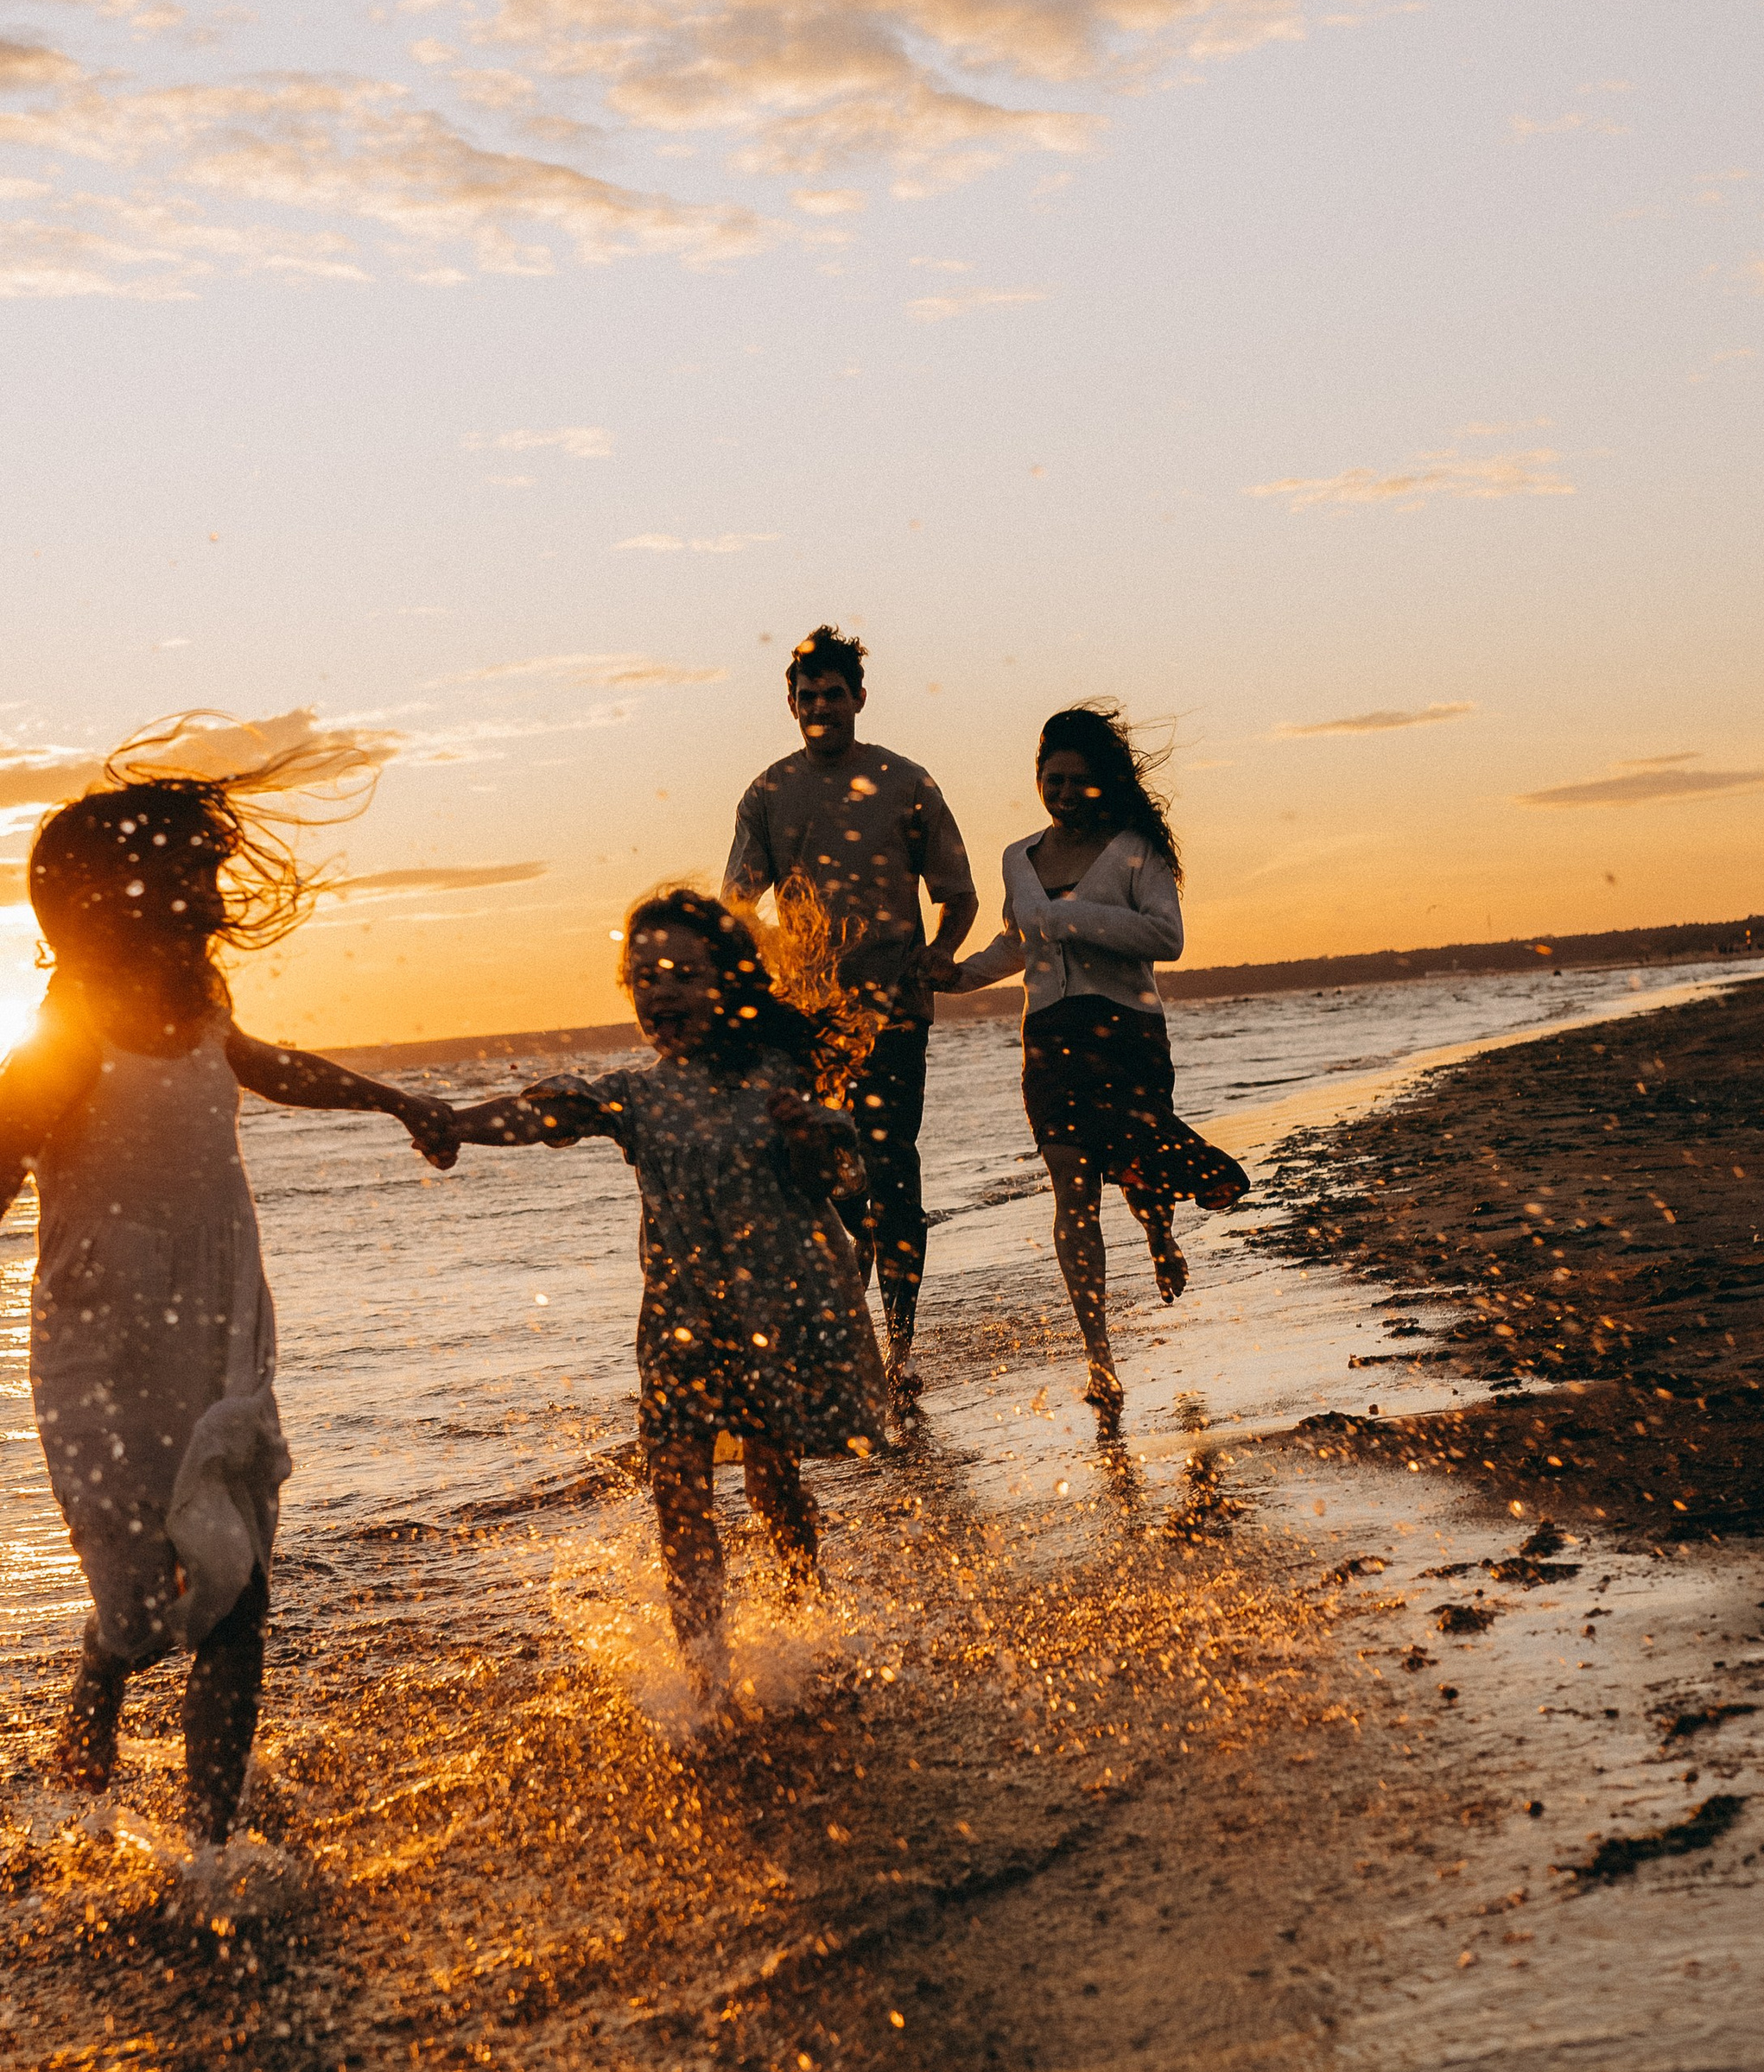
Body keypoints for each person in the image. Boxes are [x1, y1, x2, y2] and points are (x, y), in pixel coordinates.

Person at [0, 766, 457, 1845]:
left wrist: (393, 1098)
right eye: (190, 874)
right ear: (116, 897)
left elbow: (272, 1067)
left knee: (236, 1578)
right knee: (141, 1600)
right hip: (102, 1341)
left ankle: (210, 1848)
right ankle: (99, 1693)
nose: (212, 893)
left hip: (216, 1323)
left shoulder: (203, 1008)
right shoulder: (62, 1043)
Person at [442, 889, 888, 1681]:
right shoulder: (636, 1095)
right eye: (645, 979)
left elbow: (844, 1178)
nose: (663, 993)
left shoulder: (782, 1073)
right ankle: (704, 1675)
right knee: (677, 1488)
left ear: (727, 981)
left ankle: (804, 1611)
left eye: (683, 974)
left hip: (778, 1316)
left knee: (771, 1479)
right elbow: (545, 1114)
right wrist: (450, 1123)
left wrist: (811, 1132)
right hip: (681, 1323)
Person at [936, 704, 1247, 1410]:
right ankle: (1099, 1359)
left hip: (1127, 1034)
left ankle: (1159, 1233)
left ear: (1103, 781)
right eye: (1054, 780)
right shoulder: (1018, 858)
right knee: (1073, 1188)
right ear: (1037, 779)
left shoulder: (1137, 848)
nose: (1065, 794)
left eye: (1079, 781)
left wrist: (1070, 918)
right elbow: (1018, 942)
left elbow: (1166, 938)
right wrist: (955, 977)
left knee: (1139, 1170)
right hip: (1049, 1041)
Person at [721, 626, 975, 1385]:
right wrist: (764, 973)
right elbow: (735, 905)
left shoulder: (907, 783)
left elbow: (956, 895)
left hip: (894, 1012)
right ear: (791, 706)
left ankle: (897, 1352)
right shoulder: (767, 794)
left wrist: (939, 952)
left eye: (835, 694)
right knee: (815, 1177)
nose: (821, 706)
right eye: (808, 697)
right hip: (804, 1024)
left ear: (859, 698)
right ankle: (838, 1316)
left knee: (894, 1170)